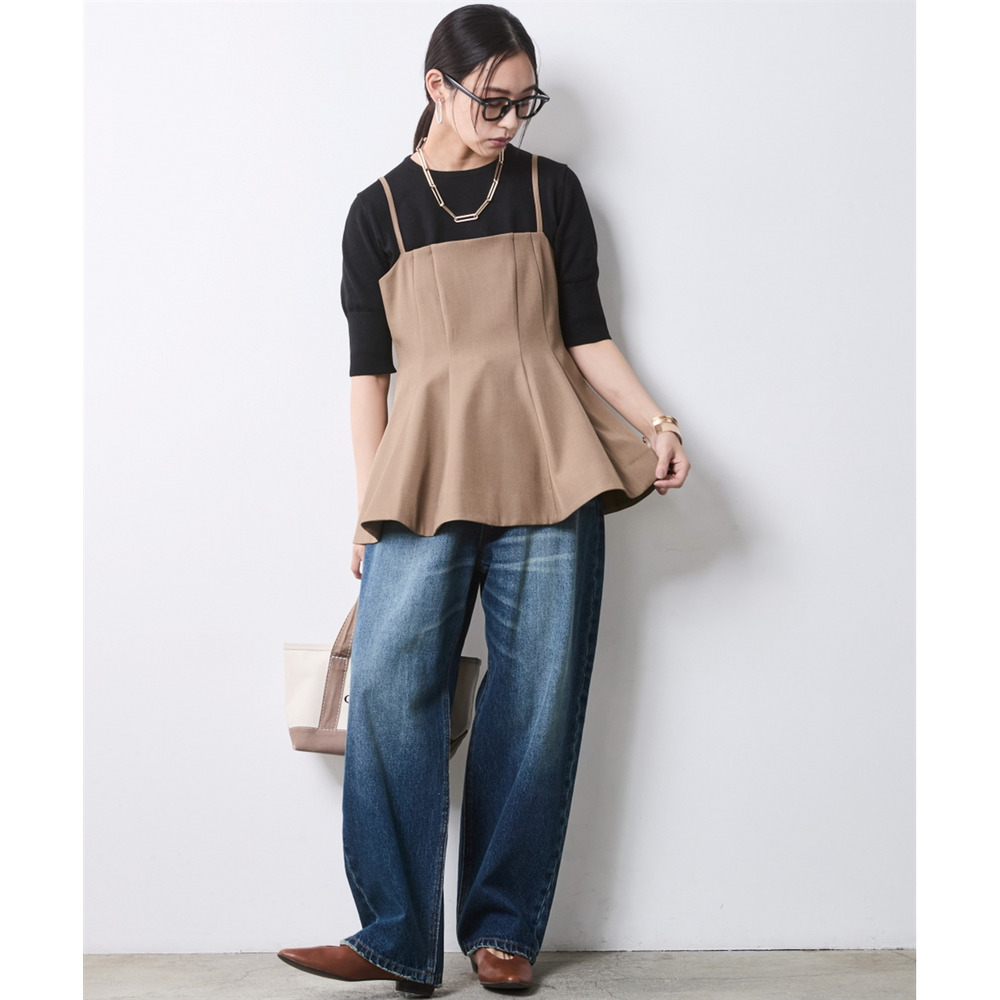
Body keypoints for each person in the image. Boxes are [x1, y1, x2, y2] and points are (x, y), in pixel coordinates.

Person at [279, 4, 689, 996]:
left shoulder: (552, 191)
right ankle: (394, 933)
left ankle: (503, 929)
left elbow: (585, 334)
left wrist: (656, 421)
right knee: (389, 691)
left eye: (524, 103)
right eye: (492, 101)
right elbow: (368, 376)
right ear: (437, 86)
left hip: (551, 467)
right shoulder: (377, 212)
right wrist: (368, 506)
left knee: (535, 700)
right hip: (423, 475)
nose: (509, 121)